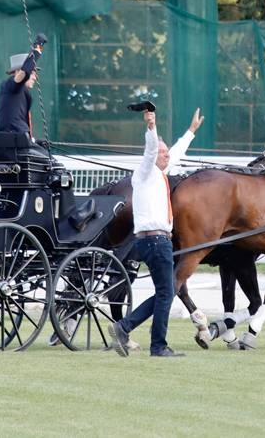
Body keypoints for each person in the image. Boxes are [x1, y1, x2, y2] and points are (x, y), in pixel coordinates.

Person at [108, 106, 185, 357]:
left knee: (165, 292)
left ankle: (124, 327)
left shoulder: (160, 174)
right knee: (166, 293)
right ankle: (157, 346)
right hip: (155, 241)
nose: (166, 156)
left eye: (166, 153)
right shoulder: (145, 172)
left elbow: (174, 152)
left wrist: (192, 132)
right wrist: (151, 127)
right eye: (162, 153)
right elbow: (152, 149)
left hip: (153, 241)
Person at [0, 32, 47, 139]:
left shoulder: (21, 91)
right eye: (33, 73)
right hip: (13, 145)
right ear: (17, 71)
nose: (35, 77)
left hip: (20, 141)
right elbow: (24, 73)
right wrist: (37, 51)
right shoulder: (10, 85)